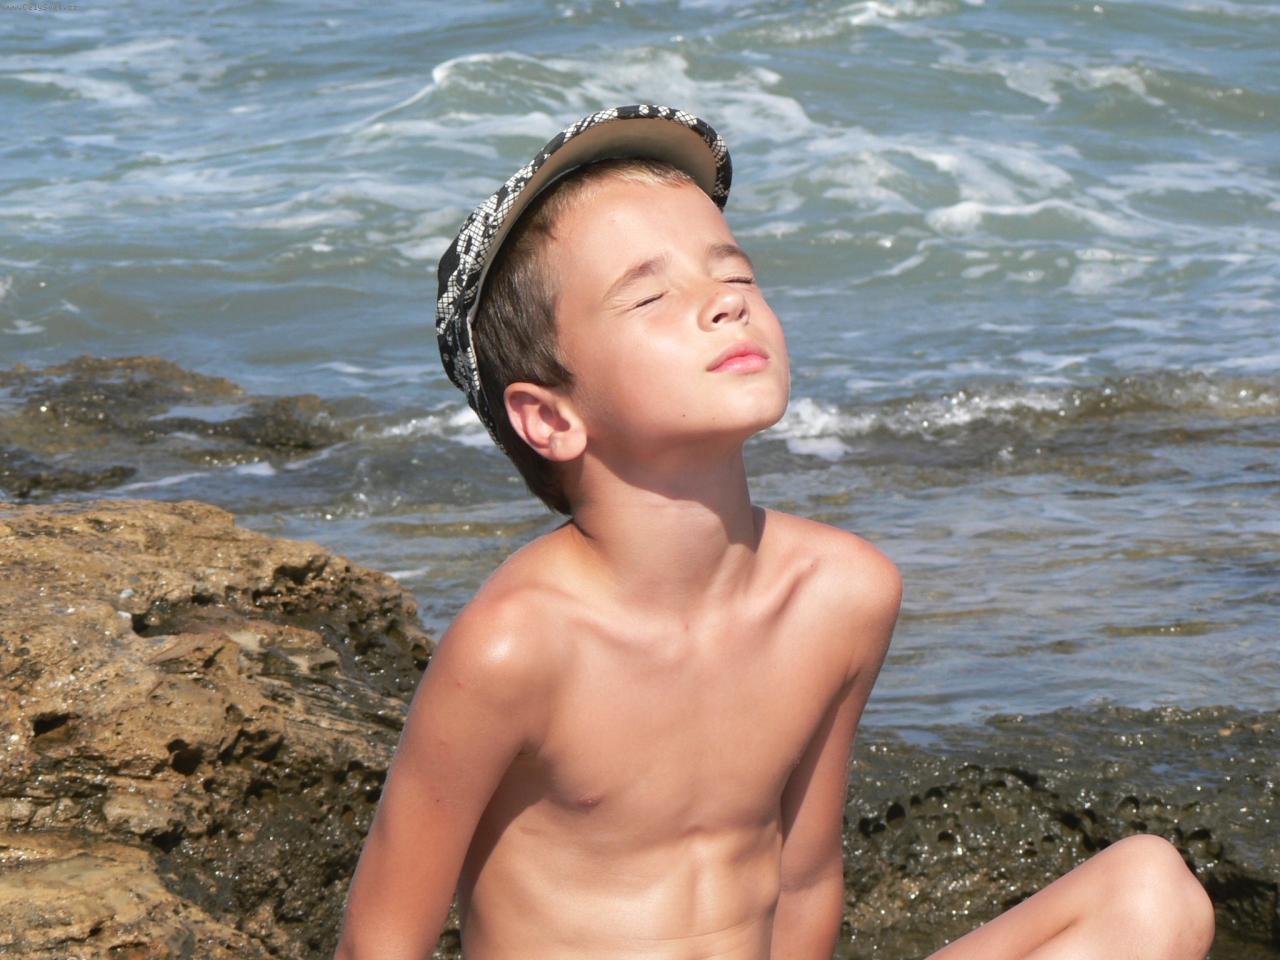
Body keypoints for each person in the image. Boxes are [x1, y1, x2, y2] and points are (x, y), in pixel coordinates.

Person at [334, 105, 1215, 960]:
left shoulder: (841, 594)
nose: (725, 304)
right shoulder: (516, 648)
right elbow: (380, 941)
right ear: (551, 418)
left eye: (737, 276)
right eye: (650, 295)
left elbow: (803, 879)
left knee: (1150, 891)